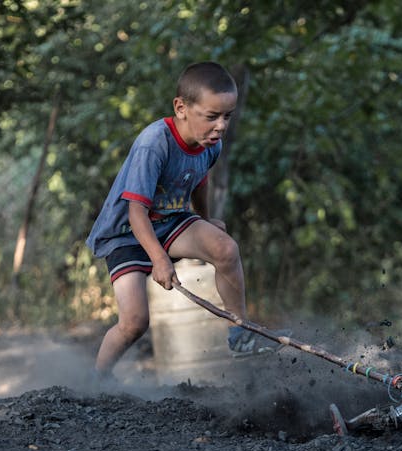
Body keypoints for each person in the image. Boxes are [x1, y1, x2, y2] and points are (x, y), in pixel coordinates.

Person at [86, 61, 275, 379]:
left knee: (225, 249)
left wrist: (205, 219)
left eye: (227, 116)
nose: (221, 126)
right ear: (182, 107)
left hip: (170, 221)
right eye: (212, 116)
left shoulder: (210, 144)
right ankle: (97, 379)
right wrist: (159, 259)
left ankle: (239, 333)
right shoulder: (154, 143)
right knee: (134, 322)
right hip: (126, 234)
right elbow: (136, 213)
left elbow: (199, 180)